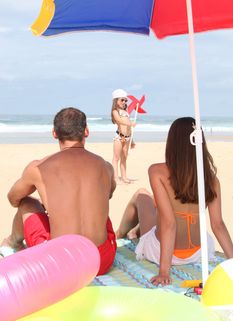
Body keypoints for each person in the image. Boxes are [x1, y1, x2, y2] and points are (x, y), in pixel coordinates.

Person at [116, 117, 233, 286]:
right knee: (161, 210)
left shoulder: (157, 171)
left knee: (141, 195)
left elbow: (169, 223)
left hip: (165, 252)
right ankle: (134, 232)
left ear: (172, 142)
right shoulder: (211, 178)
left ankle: (120, 234)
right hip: (200, 251)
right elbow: (218, 225)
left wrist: (164, 271)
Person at [0, 107, 117, 275]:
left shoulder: (38, 167)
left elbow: (13, 199)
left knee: (27, 202)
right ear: (86, 131)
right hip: (101, 261)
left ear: (54, 133)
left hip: (61, 264)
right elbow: (109, 194)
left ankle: (12, 243)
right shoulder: (106, 167)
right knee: (96, 205)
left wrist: (49, 203)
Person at [111, 89, 136, 184]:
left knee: (124, 157)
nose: (124, 102)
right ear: (116, 101)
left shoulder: (126, 112)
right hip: (119, 136)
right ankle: (115, 178)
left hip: (128, 137)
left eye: (126, 100)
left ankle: (124, 177)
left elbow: (129, 128)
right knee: (116, 157)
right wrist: (130, 123)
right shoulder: (115, 111)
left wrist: (132, 140)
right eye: (122, 100)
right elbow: (119, 121)